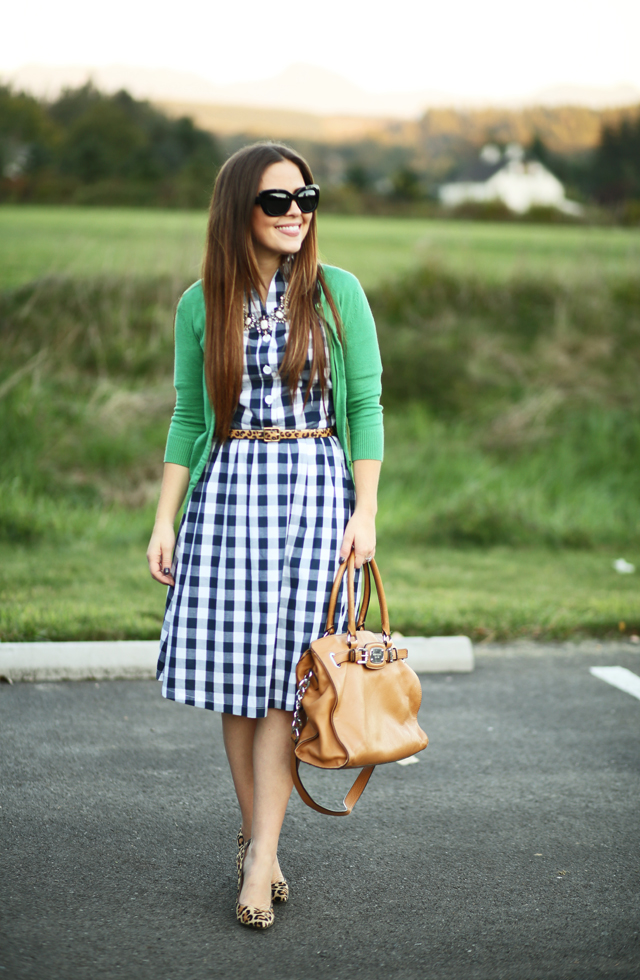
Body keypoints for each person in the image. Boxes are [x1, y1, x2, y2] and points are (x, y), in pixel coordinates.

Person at [146, 142, 383, 930]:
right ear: (238, 209)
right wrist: (163, 519)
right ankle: (262, 842)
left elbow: (365, 410)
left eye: (306, 198)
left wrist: (366, 511)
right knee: (240, 685)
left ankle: (257, 859)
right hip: (229, 501)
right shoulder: (200, 302)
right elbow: (187, 418)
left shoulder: (338, 293)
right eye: (276, 200)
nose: (295, 214)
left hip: (315, 497)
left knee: (289, 685)